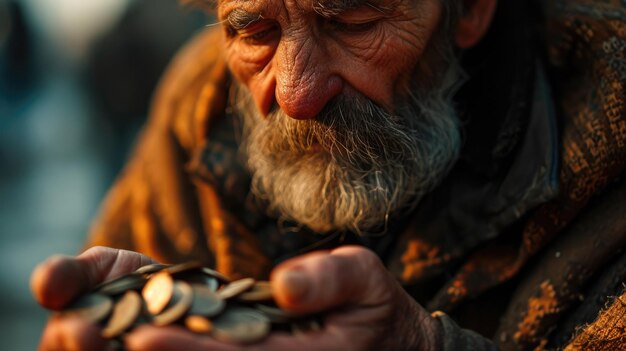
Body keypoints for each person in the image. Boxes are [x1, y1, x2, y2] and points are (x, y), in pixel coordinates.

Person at [31, 0, 626, 350]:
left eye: (353, 21)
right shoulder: (202, 106)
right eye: (255, 31)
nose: (295, 93)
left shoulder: (610, 117)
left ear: (470, 7)